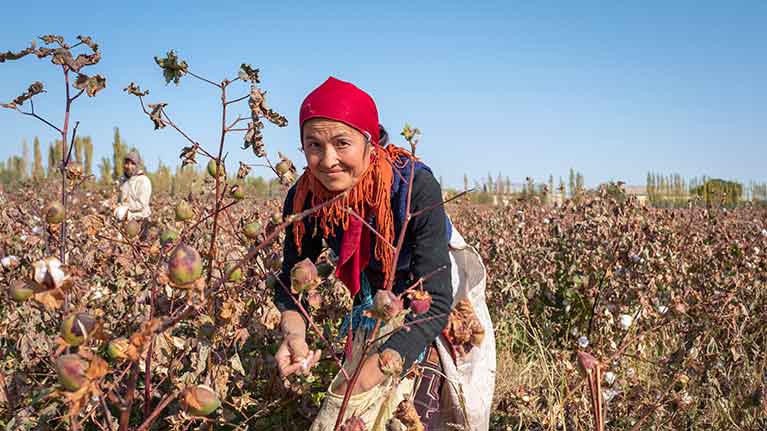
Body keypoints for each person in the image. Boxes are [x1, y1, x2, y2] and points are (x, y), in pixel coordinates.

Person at [274, 77, 495, 430]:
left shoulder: (413, 188)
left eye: (342, 143)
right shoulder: (305, 198)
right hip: (374, 297)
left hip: (435, 297)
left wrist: (370, 373)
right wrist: (295, 338)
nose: (328, 160)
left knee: (420, 404)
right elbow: (289, 286)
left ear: (369, 141)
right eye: (313, 145)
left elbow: (435, 301)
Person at [115, 151, 152, 222]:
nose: (129, 167)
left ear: (138, 165)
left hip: (140, 219)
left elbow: (142, 204)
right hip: (123, 220)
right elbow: (119, 199)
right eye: (126, 163)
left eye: (133, 164)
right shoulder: (122, 181)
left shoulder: (143, 181)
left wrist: (124, 208)